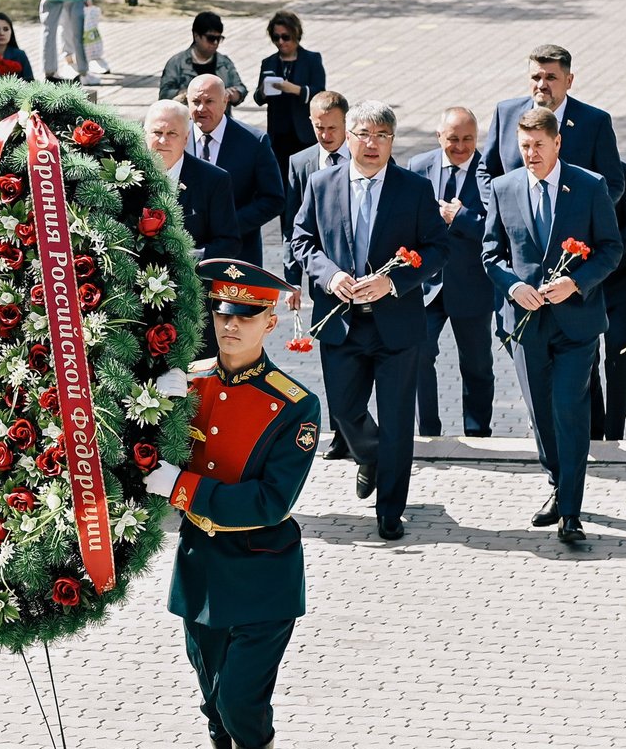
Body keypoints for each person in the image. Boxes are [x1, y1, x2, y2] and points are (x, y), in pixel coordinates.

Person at [143, 257, 320, 749]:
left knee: (242, 699)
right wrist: (148, 404)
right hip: (201, 572)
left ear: (270, 322)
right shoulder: (187, 384)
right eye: (223, 314)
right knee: (214, 704)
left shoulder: (294, 405)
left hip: (262, 574)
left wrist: (181, 487)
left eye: (245, 316)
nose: (230, 326)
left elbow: (271, 500)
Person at [290, 100, 448, 540]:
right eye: (364, 134)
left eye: (382, 136)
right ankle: (371, 456)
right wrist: (330, 275)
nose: (372, 144)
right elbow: (301, 240)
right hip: (341, 324)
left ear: (392, 141)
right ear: (349, 137)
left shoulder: (414, 189)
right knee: (344, 410)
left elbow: (438, 249)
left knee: (397, 422)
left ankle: (390, 512)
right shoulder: (321, 183)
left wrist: (393, 283)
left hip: (397, 326)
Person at [481, 107, 623, 545]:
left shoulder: (589, 185)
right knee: (541, 413)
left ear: (557, 143)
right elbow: (491, 253)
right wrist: (511, 286)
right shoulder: (503, 188)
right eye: (524, 146)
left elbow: (611, 249)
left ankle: (571, 513)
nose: (531, 154)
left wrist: (575, 283)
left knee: (569, 409)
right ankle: (558, 485)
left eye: (539, 145)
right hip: (526, 324)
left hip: (576, 323)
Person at [404, 107, 496, 438]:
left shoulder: (489, 172)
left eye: (468, 139)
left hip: (472, 285)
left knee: (477, 365)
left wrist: (461, 217)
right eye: (453, 139)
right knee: (418, 354)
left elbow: (496, 230)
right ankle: (429, 431)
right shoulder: (418, 166)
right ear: (438, 136)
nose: (460, 146)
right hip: (426, 284)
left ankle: (478, 432)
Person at [283, 90, 351, 459]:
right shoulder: (301, 163)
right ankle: (342, 431)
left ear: (346, 125)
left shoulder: (365, 156)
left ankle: (359, 425)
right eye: (318, 127)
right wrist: (292, 280)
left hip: (362, 278)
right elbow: (293, 227)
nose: (325, 135)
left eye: (332, 128)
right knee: (334, 363)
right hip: (322, 278)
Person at [483, 44, 625, 202]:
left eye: (550, 78)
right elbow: (485, 171)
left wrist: (585, 213)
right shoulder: (506, 114)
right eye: (536, 77)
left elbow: (613, 183)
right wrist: (501, 209)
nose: (541, 85)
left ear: (569, 81)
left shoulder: (594, 122)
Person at [185, 74, 284, 267]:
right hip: (187, 256)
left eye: (209, 101)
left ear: (225, 101)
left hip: (239, 255)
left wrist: (228, 225)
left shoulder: (253, 142)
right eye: (196, 102)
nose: (201, 108)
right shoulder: (176, 138)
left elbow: (273, 199)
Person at [587, 160, 626, 440]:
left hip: (620, 282)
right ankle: (594, 429)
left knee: (618, 350)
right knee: (586, 356)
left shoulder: (625, 173)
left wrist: (609, 248)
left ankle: (615, 433)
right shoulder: (566, 174)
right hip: (584, 283)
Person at [145, 100, 240, 262]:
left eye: (172, 133)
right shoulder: (126, 175)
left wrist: (184, 259)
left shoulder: (214, 180)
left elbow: (228, 243)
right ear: (145, 134)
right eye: (157, 132)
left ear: (186, 138)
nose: (163, 141)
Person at [253, 10, 326, 178]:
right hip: (278, 133)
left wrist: (295, 89)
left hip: (304, 133)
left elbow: (320, 93)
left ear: (296, 34)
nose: (281, 42)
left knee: (307, 178)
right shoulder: (269, 62)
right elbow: (258, 98)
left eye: (285, 37)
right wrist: (263, 91)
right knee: (281, 178)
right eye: (276, 37)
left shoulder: (311, 60)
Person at [159, 12, 247, 105]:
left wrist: (235, 94)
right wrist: (184, 94)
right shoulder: (177, 63)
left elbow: (240, 88)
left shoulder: (224, 63)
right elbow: (164, 95)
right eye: (211, 38)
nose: (215, 43)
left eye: (219, 39)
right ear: (196, 36)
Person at [0, 12, 35, 83]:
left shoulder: (20, 55)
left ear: (11, 32)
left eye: (6, 29)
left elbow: (30, 83)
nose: (2, 33)